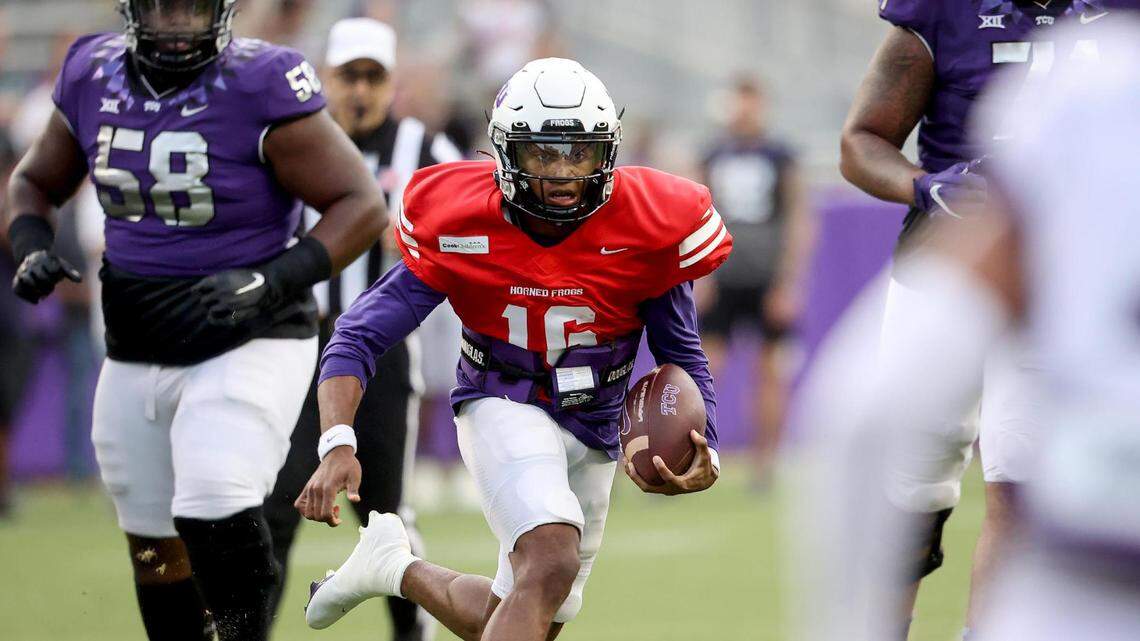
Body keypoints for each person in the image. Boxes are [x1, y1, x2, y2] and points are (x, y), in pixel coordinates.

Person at [296, 58, 731, 641]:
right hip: (503, 396)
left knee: (528, 610)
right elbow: (358, 334)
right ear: (506, 154)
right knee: (550, 561)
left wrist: (709, 447)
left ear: (607, 153)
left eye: (579, 152)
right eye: (542, 153)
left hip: (597, 421)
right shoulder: (463, 221)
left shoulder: (647, 225)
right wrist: (337, 441)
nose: (562, 173)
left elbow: (683, 354)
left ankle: (392, 567)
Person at [4, 2, 386, 640]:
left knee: (214, 494)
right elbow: (34, 182)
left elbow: (361, 203)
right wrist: (31, 243)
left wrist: (275, 277)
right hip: (136, 342)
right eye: (164, 6)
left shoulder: (261, 81)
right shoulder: (91, 73)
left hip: (250, 331)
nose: (179, 23)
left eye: (193, 7)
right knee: (153, 546)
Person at [823, 17, 1140, 641]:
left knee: (1021, 486)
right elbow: (860, 141)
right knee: (907, 489)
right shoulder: (947, 11)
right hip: (949, 266)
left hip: (1069, 287)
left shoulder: (1111, 43)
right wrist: (924, 188)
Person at [263, 17, 462, 641]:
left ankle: (412, 630)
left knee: (383, 515)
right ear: (326, 77)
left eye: (373, 77)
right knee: (276, 509)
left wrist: (401, 233)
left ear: (390, 82)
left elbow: (471, 227)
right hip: (298, 346)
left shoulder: (423, 150)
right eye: (349, 75)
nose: (360, 90)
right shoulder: (292, 143)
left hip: (380, 352)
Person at [698, 77, 812, 486]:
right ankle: (689, 456)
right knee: (705, 370)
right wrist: (701, 276)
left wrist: (788, 281)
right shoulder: (712, 153)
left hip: (766, 277)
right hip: (722, 274)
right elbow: (695, 211)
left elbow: (798, 217)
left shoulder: (780, 156)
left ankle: (764, 464)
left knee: (769, 372)